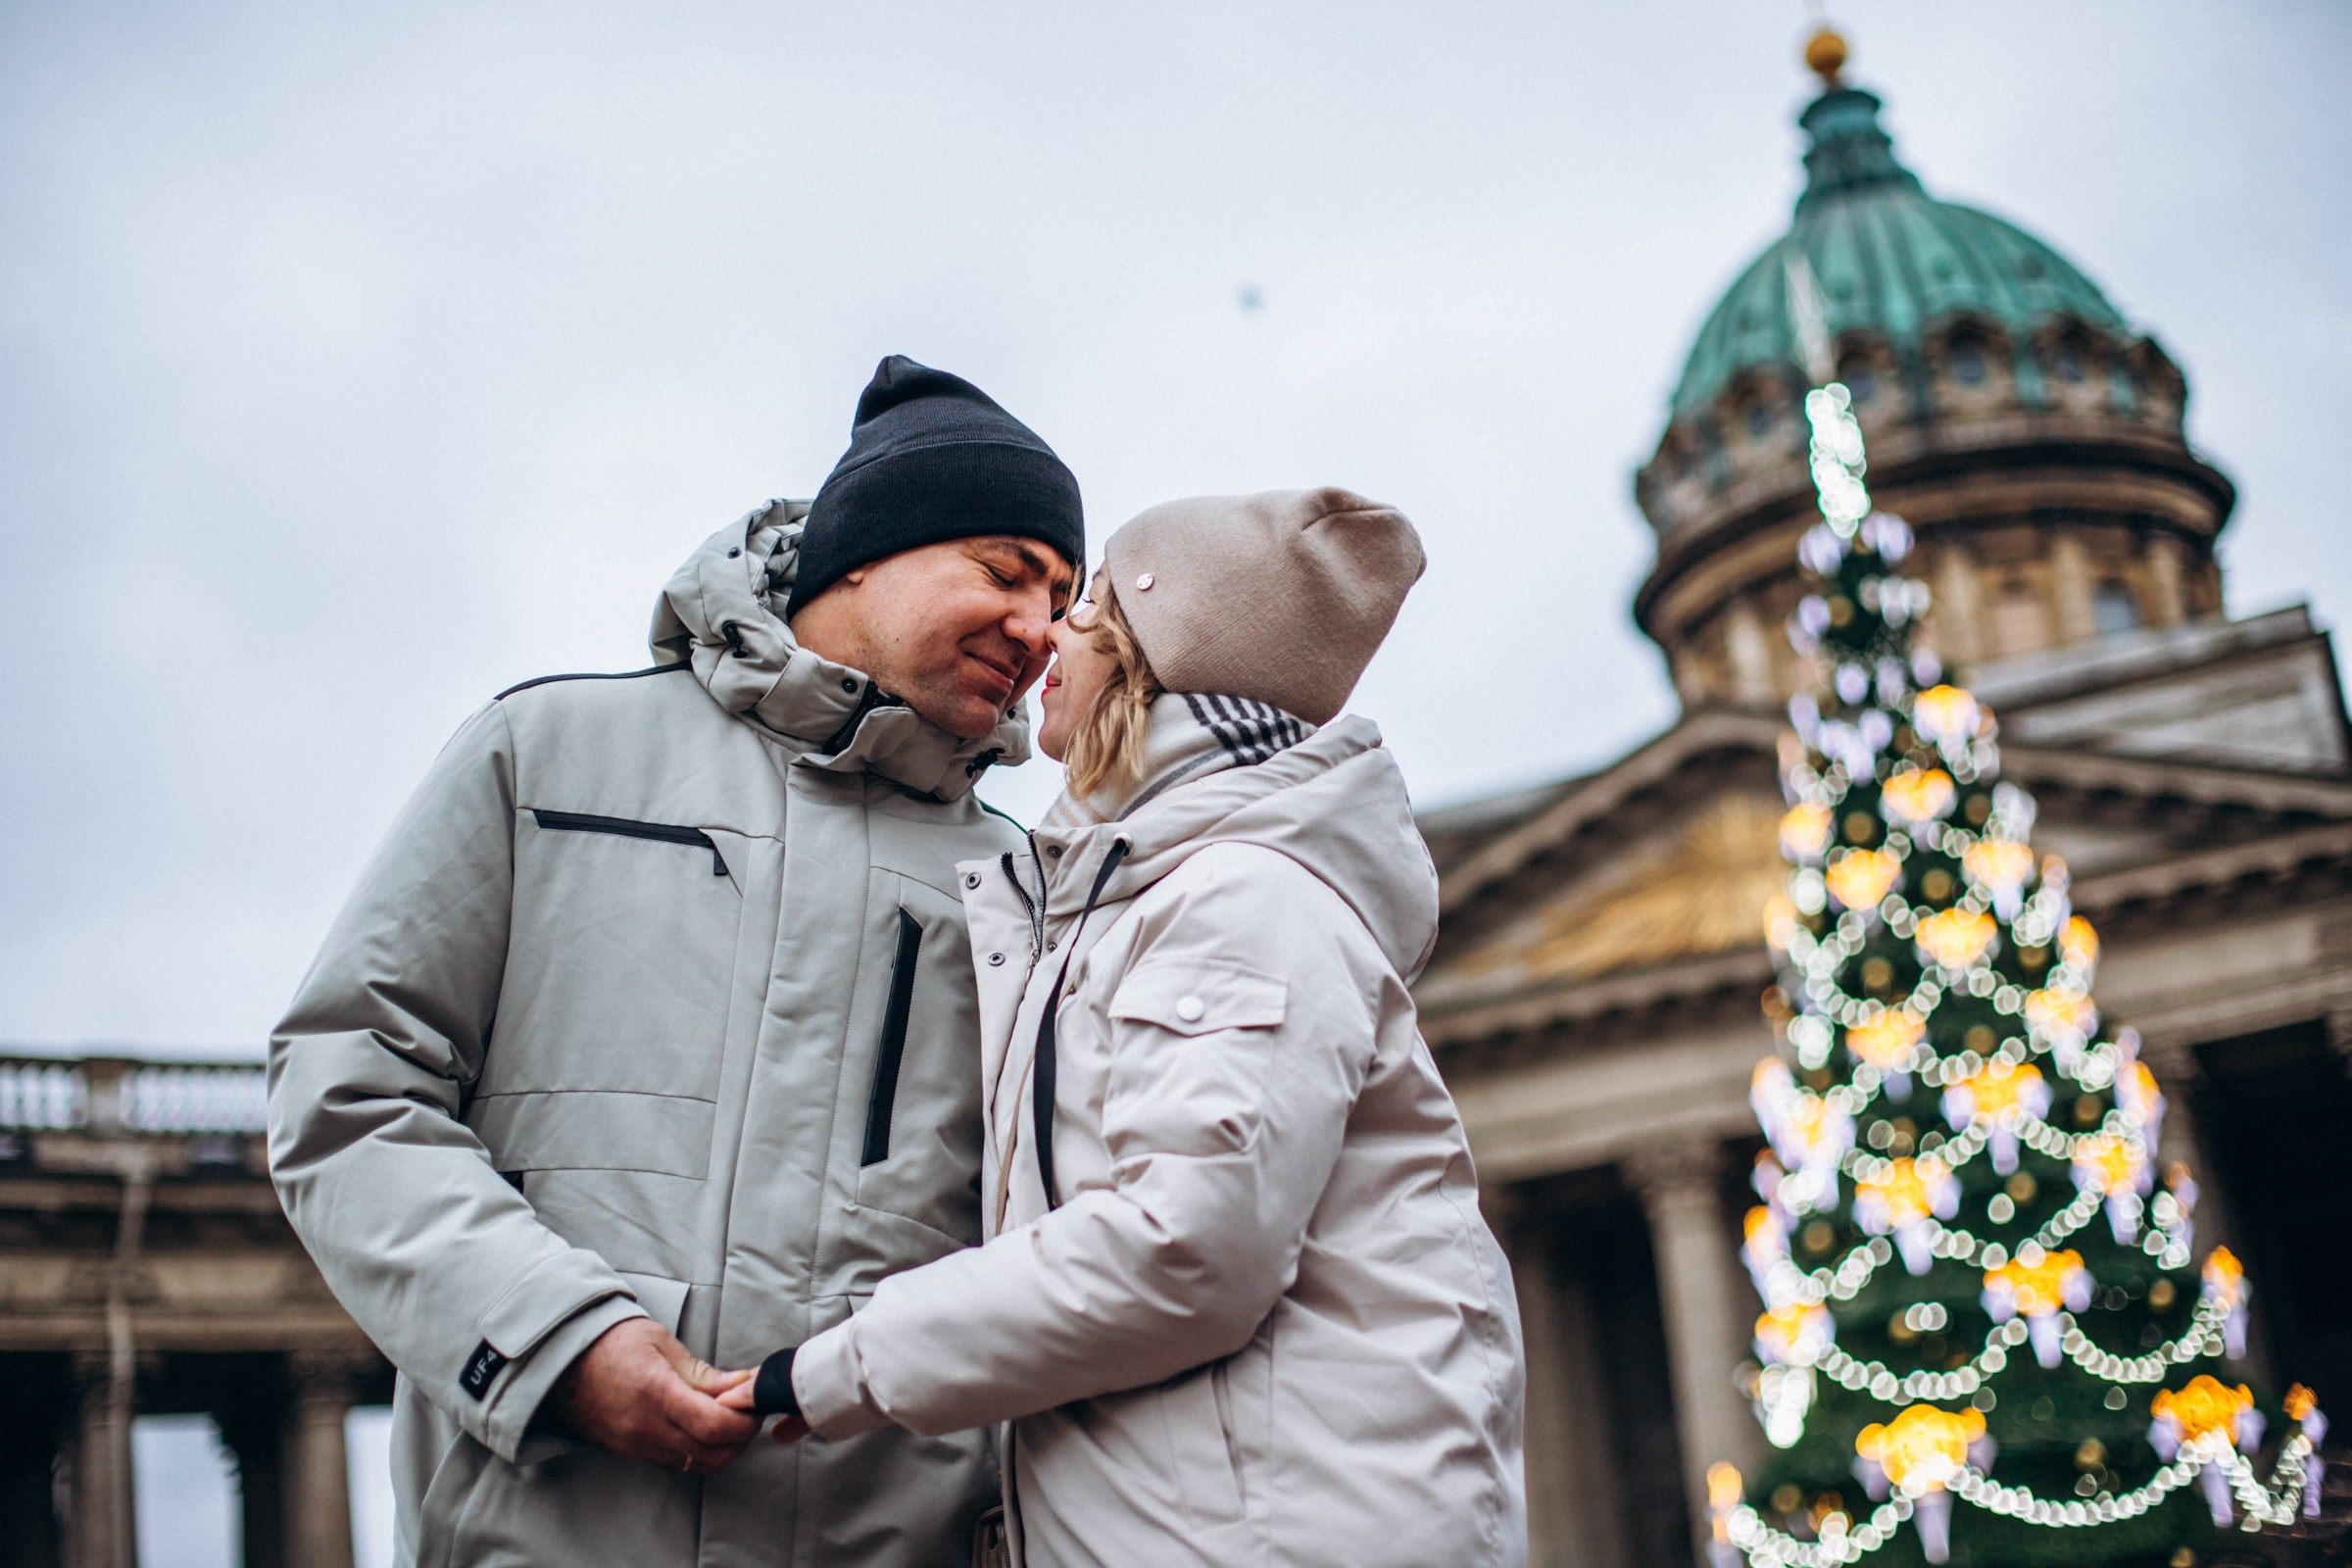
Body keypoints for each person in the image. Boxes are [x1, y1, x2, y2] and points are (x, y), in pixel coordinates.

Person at [267, 356, 1082, 1566]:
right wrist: (554, 1342)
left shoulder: (1032, 884)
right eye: (1005, 572)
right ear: (860, 549)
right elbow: (348, 1090)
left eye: (1065, 597)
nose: (1042, 628)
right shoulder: (542, 755)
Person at [726, 488, 1529, 1567]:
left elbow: (1185, 1247)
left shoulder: (1240, 895)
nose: (1052, 633)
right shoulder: (1159, 894)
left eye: (1092, 608)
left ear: (1162, 664)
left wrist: (821, 1370)